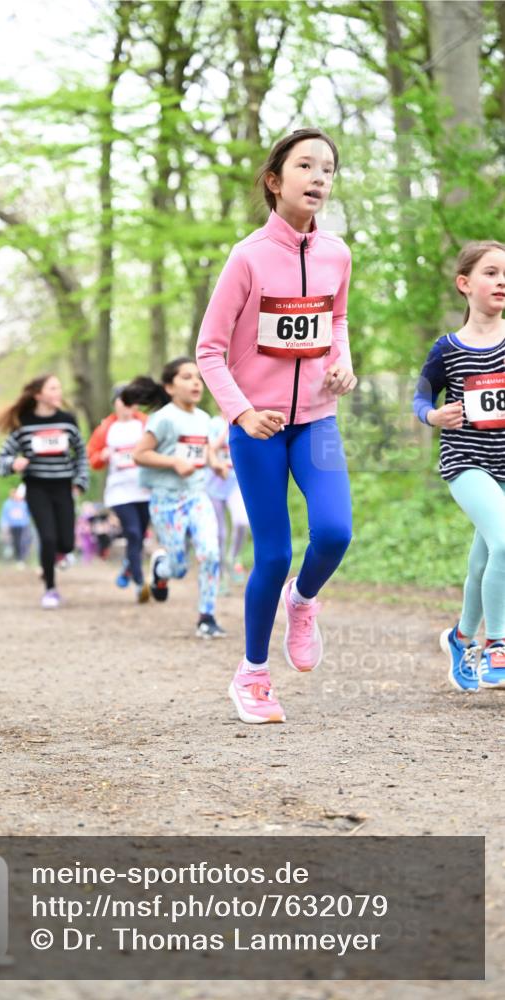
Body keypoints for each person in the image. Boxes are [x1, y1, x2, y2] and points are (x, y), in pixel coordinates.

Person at [196, 127, 356, 723]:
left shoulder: (337, 252)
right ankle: (253, 675)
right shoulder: (248, 257)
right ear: (274, 180)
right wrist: (240, 411)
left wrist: (342, 365)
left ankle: (304, 601)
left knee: (335, 533)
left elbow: (335, 322)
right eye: (306, 166)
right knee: (273, 553)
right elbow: (209, 350)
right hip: (257, 426)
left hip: (316, 420)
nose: (319, 177)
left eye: (328, 169)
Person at [413, 240, 505, 692]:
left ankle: (460, 638)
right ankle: (496, 646)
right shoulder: (446, 348)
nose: (502, 281)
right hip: (467, 463)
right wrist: (433, 416)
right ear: (465, 284)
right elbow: (420, 398)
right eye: (491, 272)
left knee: (483, 560)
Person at [122, 357, 227, 638]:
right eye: (186, 377)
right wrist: (173, 463)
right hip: (167, 501)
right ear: (169, 387)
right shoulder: (164, 418)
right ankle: (161, 569)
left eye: (198, 377)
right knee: (178, 568)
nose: (195, 382)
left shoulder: (204, 419)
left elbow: (203, 450)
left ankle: (207, 616)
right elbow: (139, 454)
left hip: (197, 495)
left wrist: (215, 463)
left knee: (210, 553)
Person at [0, 374, 88, 609]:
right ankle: (50, 589)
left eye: (59, 388)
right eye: (53, 388)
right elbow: (3, 458)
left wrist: (80, 481)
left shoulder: (67, 421)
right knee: (47, 537)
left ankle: (56, 556)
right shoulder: (23, 424)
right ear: (39, 395)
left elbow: (81, 453)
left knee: (66, 543)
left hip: (63, 486)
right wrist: (13, 464)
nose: (59, 392)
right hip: (37, 487)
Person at [87, 386, 150, 601]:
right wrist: (101, 456)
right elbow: (92, 458)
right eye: (124, 400)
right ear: (115, 402)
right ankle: (141, 584)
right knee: (132, 533)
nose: (128, 405)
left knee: (140, 536)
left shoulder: (145, 423)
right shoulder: (106, 428)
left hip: (144, 489)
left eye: (133, 401)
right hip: (119, 492)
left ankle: (127, 567)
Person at [205, 414, 250, 591]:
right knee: (219, 533)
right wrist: (226, 429)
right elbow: (210, 449)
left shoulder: (245, 421)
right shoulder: (213, 423)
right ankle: (221, 574)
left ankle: (233, 557)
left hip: (235, 483)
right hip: (213, 485)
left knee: (241, 522)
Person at [0, 486, 32, 567]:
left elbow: (28, 514)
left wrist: (27, 522)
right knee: (15, 542)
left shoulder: (23, 503)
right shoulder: (7, 504)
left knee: (25, 542)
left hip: (23, 525)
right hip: (13, 526)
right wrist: (4, 525)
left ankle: (23, 558)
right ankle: (18, 559)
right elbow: (4, 516)